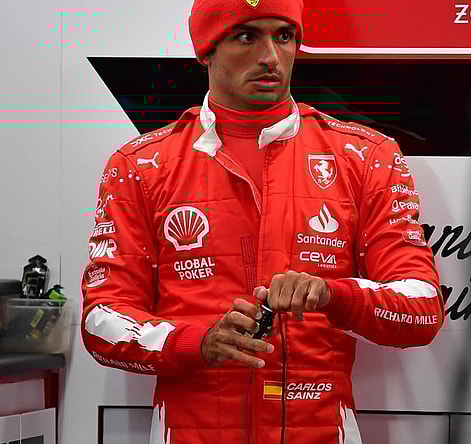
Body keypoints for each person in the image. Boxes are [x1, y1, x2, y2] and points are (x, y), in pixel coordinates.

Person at [79, 0, 444, 442]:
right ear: (206, 50)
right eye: (247, 36)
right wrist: (197, 342)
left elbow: (423, 310)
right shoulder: (141, 165)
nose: (271, 55)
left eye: (284, 36)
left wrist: (335, 295)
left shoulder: (366, 156)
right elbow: (101, 319)